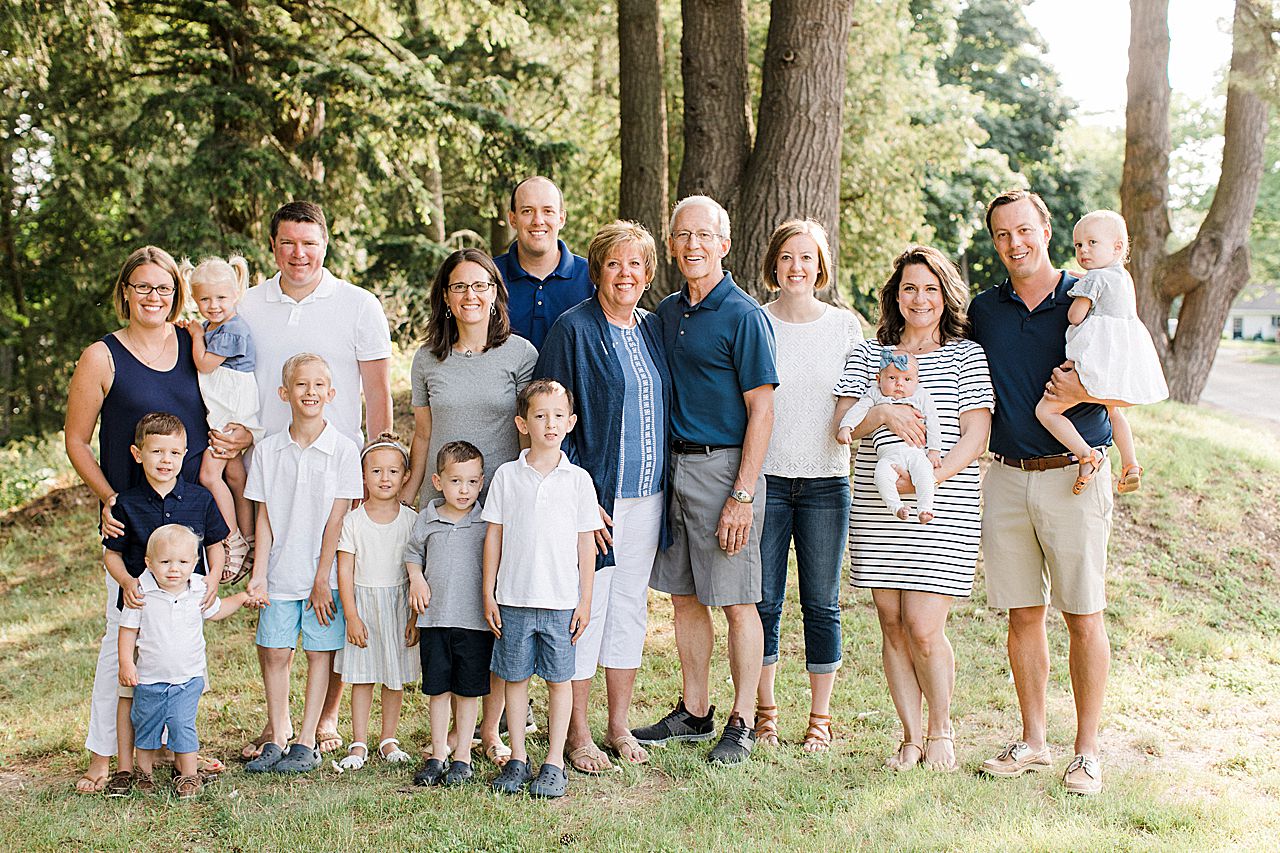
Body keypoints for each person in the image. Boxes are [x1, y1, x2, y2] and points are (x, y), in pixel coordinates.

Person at [227, 200, 393, 759]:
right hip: (270, 469)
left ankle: (321, 721)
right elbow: (229, 377)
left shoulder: (358, 305)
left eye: (310, 243)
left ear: (326, 244)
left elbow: (376, 394)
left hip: (338, 474)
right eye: (287, 243)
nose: (299, 254)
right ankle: (278, 729)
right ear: (272, 246)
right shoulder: (246, 305)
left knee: (331, 597)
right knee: (275, 592)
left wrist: (379, 470)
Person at [970, 189, 1115, 796]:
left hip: (1074, 474)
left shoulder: (1090, 294)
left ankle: (1086, 753)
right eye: (1003, 235)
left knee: (1083, 614)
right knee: (1022, 615)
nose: (1015, 244)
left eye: (1024, 230)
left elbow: (1131, 382)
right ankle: (1033, 741)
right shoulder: (984, 308)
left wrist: (1087, 399)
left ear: (1046, 230)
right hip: (1004, 475)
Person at [834, 245, 993, 773]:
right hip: (879, 508)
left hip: (939, 505)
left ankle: (941, 729)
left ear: (944, 294)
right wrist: (880, 411)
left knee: (924, 626)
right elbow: (844, 430)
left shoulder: (966, 354)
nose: (919, 298)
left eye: (929, 288)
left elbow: (976, 434)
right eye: (909, 288)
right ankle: (908, 736)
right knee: (892, 622)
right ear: (895, 296)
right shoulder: (867, 354)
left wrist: (932, 478)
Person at [635, 195, 777, 766]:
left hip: (726, 471)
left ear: (723, 244)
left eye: (704, 235)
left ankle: (742, 721)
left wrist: (742, 494)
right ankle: (694, 711)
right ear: (670, 246)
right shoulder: (667, 313)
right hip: (674, 469)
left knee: (738, 601)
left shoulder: (744, 316)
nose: (692, 245)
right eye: (682, 236)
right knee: (686, 597)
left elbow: (762, 413)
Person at [64, 245, 211, 793]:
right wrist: (107, 498)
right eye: (143, 286)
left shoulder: (195, 342)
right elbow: (76, 440)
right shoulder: (102, 356)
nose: (155, 296)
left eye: (165, 287)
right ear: (125, 290)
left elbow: (225, 398)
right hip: (131, 524)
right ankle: (105, 756)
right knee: (122, 639)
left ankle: (180, 749)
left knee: (180, 640)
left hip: (187, 520)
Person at [534, 220, 673, 772]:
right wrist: (581, 498)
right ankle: (578, 733)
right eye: (614, 264)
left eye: (636, 264)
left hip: (649, 496)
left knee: (629, 609)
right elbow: (550, 420)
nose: (625, 274)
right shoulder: (573, 330)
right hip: (597, 499)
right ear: (596, 272)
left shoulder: (651, 328)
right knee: (586, 612)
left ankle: (618, 724)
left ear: (647, 275)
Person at [401, 247, 537, 764]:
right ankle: (451, 730)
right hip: (446, 505)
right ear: (446, 297)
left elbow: (531, 432)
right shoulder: (426, 359)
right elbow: (423, 433)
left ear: (496, 292)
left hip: (501, 505)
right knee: (453, 615)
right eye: (459, 286)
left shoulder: (520, 355)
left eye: (481, 285)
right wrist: (412, 495)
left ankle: (492, 729)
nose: (470, 295)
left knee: (495, 614)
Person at [752, 219, 861, 754]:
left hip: (825, 482)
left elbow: (860, 396)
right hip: (767, 480)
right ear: (774, 265)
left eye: (808, 258)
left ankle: (819, 717)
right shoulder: (755, 322)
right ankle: (766, 711)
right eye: (788, 257)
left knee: (821, 602)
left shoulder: (844, 327)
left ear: (821, 266)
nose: (797, 267)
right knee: (765, 600)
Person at [243, 353, 363, 774]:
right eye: (300, 385)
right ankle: (277, 734)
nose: (309, 392)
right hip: (280, 572)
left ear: (331, 394)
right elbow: (265, 517)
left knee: (319, 654)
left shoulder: (344, 450)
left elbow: (338, 518)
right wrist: (259, 575)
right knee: (275, 651)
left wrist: (320, 578)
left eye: (318, 386)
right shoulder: (268, 450)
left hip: (324, 576)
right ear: (284, 393)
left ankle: (307, 739)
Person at [483, 379, 603, 798]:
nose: (548, 423)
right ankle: (517, 757)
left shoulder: (578, 480)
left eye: (557, 416)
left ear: (570, 422)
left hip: (560, 602)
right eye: (539, 415)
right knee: (514, 678)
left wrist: (585, 599)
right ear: (523, 422)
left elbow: (586, 544)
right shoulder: (506, 477)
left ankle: (553, 761)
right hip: (513, 598)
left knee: (558, 681)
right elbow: (493, 536)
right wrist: (488, 592)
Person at [100, 413, 230, 797]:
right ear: (137, 454)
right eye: (157, 451)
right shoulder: (126, 503)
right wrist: (126, 582)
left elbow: (216, 544)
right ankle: (129, 767)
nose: (165, 460)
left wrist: (213, 578)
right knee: (133, 688)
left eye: (174, 452)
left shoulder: (198, 499)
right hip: (140, 602)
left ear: (185, 454)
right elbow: (111, 553)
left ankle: (180, 762)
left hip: (182, 603)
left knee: (178, 681)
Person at [117, 525, 256, 799]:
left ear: (194, 562)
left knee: (183, 725)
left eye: (182, 562)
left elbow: (216, 612)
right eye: (165, 562)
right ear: (149, 563)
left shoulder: (198, 589)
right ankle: (143, 774)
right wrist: (126, 664)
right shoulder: (141, 593)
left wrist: (241, 598)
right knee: (146, 726)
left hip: (188, 677)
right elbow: (128, 631)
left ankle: (189, 776)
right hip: (149, 677)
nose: (174, 569)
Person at [1035, 210, 1168, 494]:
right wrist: (1083, 279)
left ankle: (1086, 454)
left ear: (1117, 247)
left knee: (1046, 410)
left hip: (1092, 360)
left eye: (1092, 243)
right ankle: (1131, 463)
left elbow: (1075, 316)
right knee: (1115, 413)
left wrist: (1077, 293)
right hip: (1117, 362)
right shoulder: (1123, 278)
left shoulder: (1094, 280)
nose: (1083, 250)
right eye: (1078, 245)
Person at [405, 441, 491, 787]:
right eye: (456, 481)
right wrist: (416, 579)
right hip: (435, 619)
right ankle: (438, 753)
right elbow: (413, 553)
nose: (464, 489)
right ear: (439, 481)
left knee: (468, 691)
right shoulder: (428, 516)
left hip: (473, 621)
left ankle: (463, 757)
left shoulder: (487, 521)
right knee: (438, 689)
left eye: (472, 482)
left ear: (481, 482)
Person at [333, 434, 420, 771]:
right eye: (376, 472)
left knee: (393, 675)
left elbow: (416, 572)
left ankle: (388, 737)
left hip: (398, 604)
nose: (385, 479)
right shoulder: (354, 521)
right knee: (363, 675)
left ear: (405, 476)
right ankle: (358, 740)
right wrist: (352, 615)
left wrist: (414, 617)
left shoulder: (411, 521)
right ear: (363, 475)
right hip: (364, 605)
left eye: (393, 472)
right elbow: (345, 572)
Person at [184, 255, 261, 581]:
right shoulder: (215, 325)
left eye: (221, 298)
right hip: (224, 408)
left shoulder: (232, 330)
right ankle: (250, 537)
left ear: (235, 294)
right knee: (234, 475)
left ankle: (231, 539)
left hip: (231, 412)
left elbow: (204, 364)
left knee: (208, 475)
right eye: (204, 299)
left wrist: (195, 335)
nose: (213, 305)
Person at [839, 350, 943, 522]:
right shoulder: (875, 393)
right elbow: (858, 410)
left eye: (907, 379)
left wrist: (934, 450)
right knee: (881, 476)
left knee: (925, 473)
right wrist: (846, 427)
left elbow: (933, 422)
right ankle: (896, 507)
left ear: (917, 382)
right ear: (879, 379)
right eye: (892, 378)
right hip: (888, 457)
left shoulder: (920, 395)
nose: (899, 384)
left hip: (915, 452)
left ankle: (925, 509)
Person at [493, 176, 594, 349]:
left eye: (548, 211)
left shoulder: (592, 276)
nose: (538, 220)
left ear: (561, 218)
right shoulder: (489, 277)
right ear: (512, 219)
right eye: (527, 211)